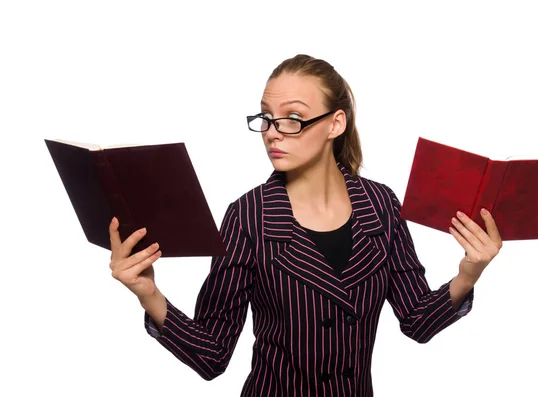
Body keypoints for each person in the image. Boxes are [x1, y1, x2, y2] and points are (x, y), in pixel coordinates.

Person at [108, 54, 503, 396]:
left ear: (335, 123)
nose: (273, 132)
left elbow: (417, 321)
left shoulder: (380, 205)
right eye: (266, 117)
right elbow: (211, 355)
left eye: (293, 118)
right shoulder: (249, 216)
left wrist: (468, 274)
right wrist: (148, 293)